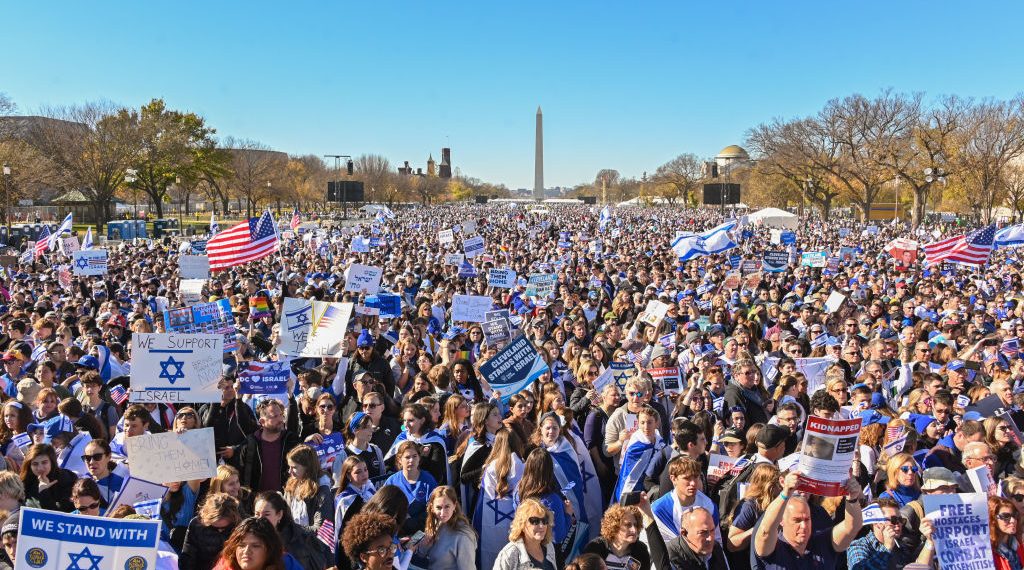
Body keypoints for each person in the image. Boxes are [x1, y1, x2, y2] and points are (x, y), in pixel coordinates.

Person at [751, 472, 863, 570]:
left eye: (807, 519)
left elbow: (852, 527)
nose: (804, 526)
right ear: (781, 520)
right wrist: (785, 493)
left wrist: (852, 498)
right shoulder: (773, 549)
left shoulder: (823, 543)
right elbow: (766, 531)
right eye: (797, 520)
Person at [474, 428, 526, 566]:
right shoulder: (521, 465)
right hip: (512, 518)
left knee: (490, 557)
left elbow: (485, 496)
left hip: (489, 517)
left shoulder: (491, 466)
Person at [253, 491, 331, 570]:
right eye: (257, 514)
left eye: (266, 514)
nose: (260, 519)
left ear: (279, 515)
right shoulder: (250, 536)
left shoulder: (296, 540)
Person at [238, 398, 300, 493]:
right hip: (257, 502)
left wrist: (291, 398)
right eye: (274, 416)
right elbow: (242, 474)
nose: (280, 419)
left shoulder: (290, 440)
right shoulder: (251, 444)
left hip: (285, 500)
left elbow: (293, 422)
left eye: (281, 415)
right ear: (262, 421)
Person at [416, 486, 478, 570]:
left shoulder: (463, 536)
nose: (442, 513)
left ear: (454, 506)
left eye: (447, 506)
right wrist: (424, 545)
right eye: (438, 507)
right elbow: (421, 555)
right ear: (432, 508)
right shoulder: (435, 524)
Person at [383, 439, 438, 533]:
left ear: (419, 458)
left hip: (423, 530)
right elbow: (384, 507)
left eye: (414, 456)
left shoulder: (428, 480)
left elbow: (434, 509)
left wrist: (412, 522)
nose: (411, 460)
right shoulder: (392, 481)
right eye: (407, 457)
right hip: (397, 531)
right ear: (399, 460)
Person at [180, 493, 243, 570]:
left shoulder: (241, 527)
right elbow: (188, 557)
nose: (220, 530)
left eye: (225, 528)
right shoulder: (196, 525)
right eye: (214, 528)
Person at [493, 497, 559, 570]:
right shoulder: (509, 553)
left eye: (544, 520)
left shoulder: (549, 546)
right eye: (535, 521)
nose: (541, 526)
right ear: (522, 524)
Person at [581, 503, 651, 570]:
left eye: (635, 525)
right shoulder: (595, 548)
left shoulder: (641, 550)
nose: (634, 530)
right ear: (615, 526)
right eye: (628, 525)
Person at [847, 498, 907, 570]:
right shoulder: (858, 545)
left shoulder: (901, 546)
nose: (898, 524)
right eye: (893, 520)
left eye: (900, 520)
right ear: (876, 523)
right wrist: (886, 548)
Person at [282, 444, 332, 529]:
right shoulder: (292, 483)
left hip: (310, 540)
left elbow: (321, 527)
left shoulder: (322, 489)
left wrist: (295, 531)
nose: (289, 471)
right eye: (289, 467)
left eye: (294, 467)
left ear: (307, 467)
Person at [212, 516, 287, 570]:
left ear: (270, 550)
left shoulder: (287, 564)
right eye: (241, 545)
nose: (246, 551)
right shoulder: (223, 567)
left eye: (255, 546)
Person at [19, 443, 76, 512]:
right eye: (35, 464)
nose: (40, 468)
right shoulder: (25, 482)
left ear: (52, 462)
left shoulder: (67, 479)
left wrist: (44, 492)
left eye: (44, 462)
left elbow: (59, 515)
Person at [990, 495, 1024, 570]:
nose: (1013, 520)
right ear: (993, 519)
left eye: (1015, 515)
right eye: (1005, 516)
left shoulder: (1018, 544)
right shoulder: (987, 552)